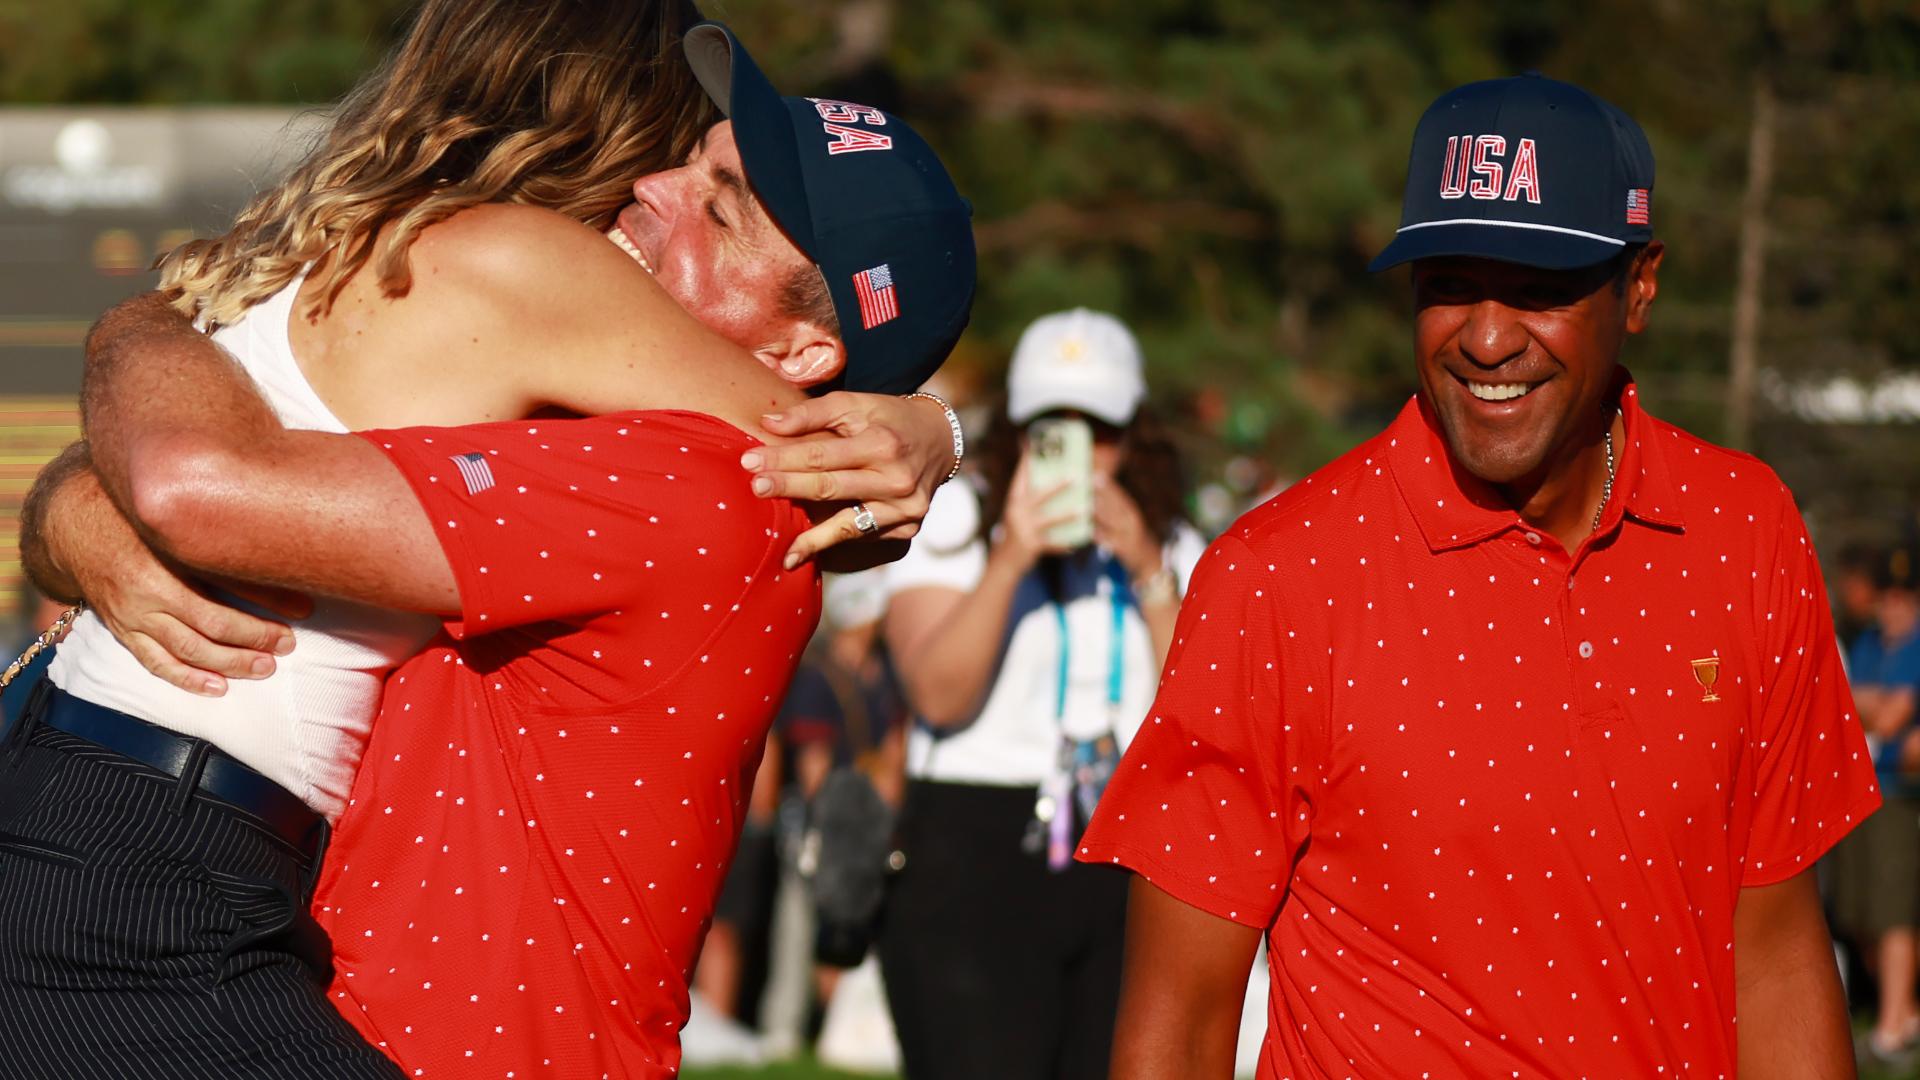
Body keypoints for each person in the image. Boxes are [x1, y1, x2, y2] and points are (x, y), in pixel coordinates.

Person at [6, 15, 973, 1080]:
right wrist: (79, 510)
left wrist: (137, 329)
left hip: (361, 995)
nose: (653, 186)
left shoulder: (708, 486)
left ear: (803, 350)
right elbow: (176, 481)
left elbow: (194, 483)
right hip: (186, 899)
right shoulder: (549, 404)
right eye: (689, 157)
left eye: (722, 207)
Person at [1080, 74, 1877, 1079]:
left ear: (1639, 286)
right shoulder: (1279, 576)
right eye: (1450, 280)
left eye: (1539, 284)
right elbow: (1180, 1023)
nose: (1487, 336)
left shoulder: (1743, 527)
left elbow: (1773, 957)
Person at [879, 308, 1205, 1080]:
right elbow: (937, 695)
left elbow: (1198, 719)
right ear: (1015, 432)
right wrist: (1011, 558)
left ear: (1134, 435)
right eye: (1050, 429)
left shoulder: (1176, 544)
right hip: (977, 836)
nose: (1079, 453)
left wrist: (1150, 572)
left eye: (1101, 430)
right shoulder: (955, 521)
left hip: (1128, 843)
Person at [1826, 547, 1920, 1069]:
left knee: (1892, 914)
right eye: (1888, 596)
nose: (1894, 606)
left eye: (1905, 596)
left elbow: (1887, 719)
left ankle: (1895, 1025)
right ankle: (1897, 1012)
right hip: (1864, 788)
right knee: (1859, 912)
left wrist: (1869, 704)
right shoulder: (1867, 643)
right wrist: (1870, 703)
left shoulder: (1914, 645)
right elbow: (1841, 696)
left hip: (1900, 798)